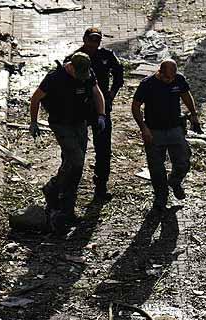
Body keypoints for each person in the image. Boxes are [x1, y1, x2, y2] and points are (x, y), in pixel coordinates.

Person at [30, 52, 107, 230]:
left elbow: (97, 93)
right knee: (76, 160)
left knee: (75, 166)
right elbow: (35, 98)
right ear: (70, 66)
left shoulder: (88, 73)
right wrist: (33, 122)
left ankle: (67, 209)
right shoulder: (54, 78)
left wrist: (101, 114)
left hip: (80, 122)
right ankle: (53, 187)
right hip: (61, 124)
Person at [132, 59, 199, 213]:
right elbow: (135, 106)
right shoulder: (147, 84)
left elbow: (186, 95)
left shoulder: (179, 79)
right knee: (156, 168)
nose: (170, 81)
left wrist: (194, 114)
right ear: (159, 72)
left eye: (172, 78)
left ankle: (174, 181)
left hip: (175, 128)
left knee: (183, 160)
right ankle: (161, 198)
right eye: (166, 77)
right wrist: (143, 128)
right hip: (154, 131)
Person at [78, 28, 124, 202]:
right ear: (84, 39)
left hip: (101, 108)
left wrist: (112, 93)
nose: (93, 44)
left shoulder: (106, 55)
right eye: (91, 40)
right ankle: (69, 185)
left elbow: (119, 74)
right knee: (76, 149)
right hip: (81, 109)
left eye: (97, 41)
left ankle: (101, 185)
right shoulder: (77, 58)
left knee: (103, 148)